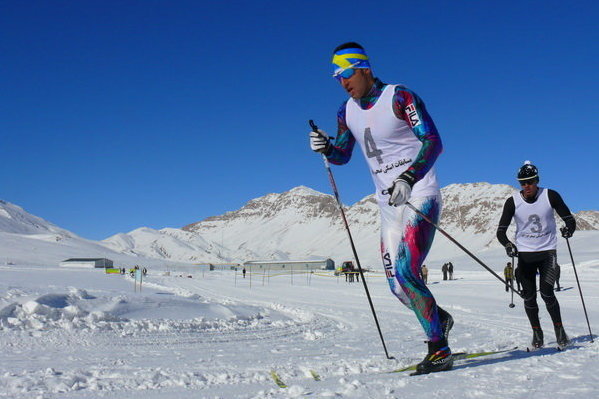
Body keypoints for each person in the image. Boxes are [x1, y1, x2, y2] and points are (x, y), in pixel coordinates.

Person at [309, 42, 453, 374]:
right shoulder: (346, 111)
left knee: (407, 271)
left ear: (364, 68)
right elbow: (342, 155)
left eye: (346, 74)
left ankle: (439, 349)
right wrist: (326, 146)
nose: (343, 82)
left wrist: (409, 177)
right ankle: (439, 320)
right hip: (388, 205)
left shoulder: (400, 97)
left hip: (419, 193)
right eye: (336, 77)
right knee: (396, 286)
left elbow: (434, 141)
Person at [496, 161, 576, 349]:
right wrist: (508, 244)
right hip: (525, 255)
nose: (527, 186)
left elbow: (569, 219)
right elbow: (501, 231)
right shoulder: (513, 202)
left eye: (530, 182)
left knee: (548, 293)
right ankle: (537, 333)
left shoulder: (550, 195)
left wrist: (568, 229)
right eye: (523, 183)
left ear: (537, 180)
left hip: (547, 252)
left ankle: (560, 331)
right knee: (529, 297)